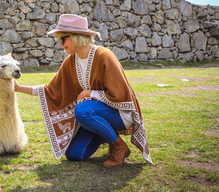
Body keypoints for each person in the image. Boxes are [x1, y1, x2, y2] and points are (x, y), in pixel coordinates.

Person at [14, 14, 152, 167]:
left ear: (76, 37)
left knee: (82, 110)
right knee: (74, 154)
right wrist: (18, 88)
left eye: (62, 39)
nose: (60, 44)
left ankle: (119, 146)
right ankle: (104, 134)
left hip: (120, 113)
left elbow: (120, 95)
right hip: (94, 115)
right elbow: (51, 90)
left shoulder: (104, 56)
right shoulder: (71, 61)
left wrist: (89, 93)